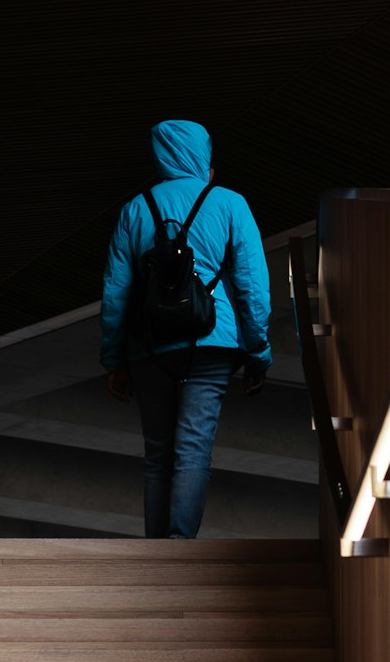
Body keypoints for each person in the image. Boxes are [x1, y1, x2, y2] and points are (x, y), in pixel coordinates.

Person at [101, 117, 273, 539]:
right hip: (212, 339)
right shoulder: (230, 203)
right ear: (204, 156)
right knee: (193, 447)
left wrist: (115, 360)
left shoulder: (135, 209)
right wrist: (257, 350)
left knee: (158, 453)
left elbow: (116, 294)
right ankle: (179, 551)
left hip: (149, 344)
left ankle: (156, 551)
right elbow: (252, 284)